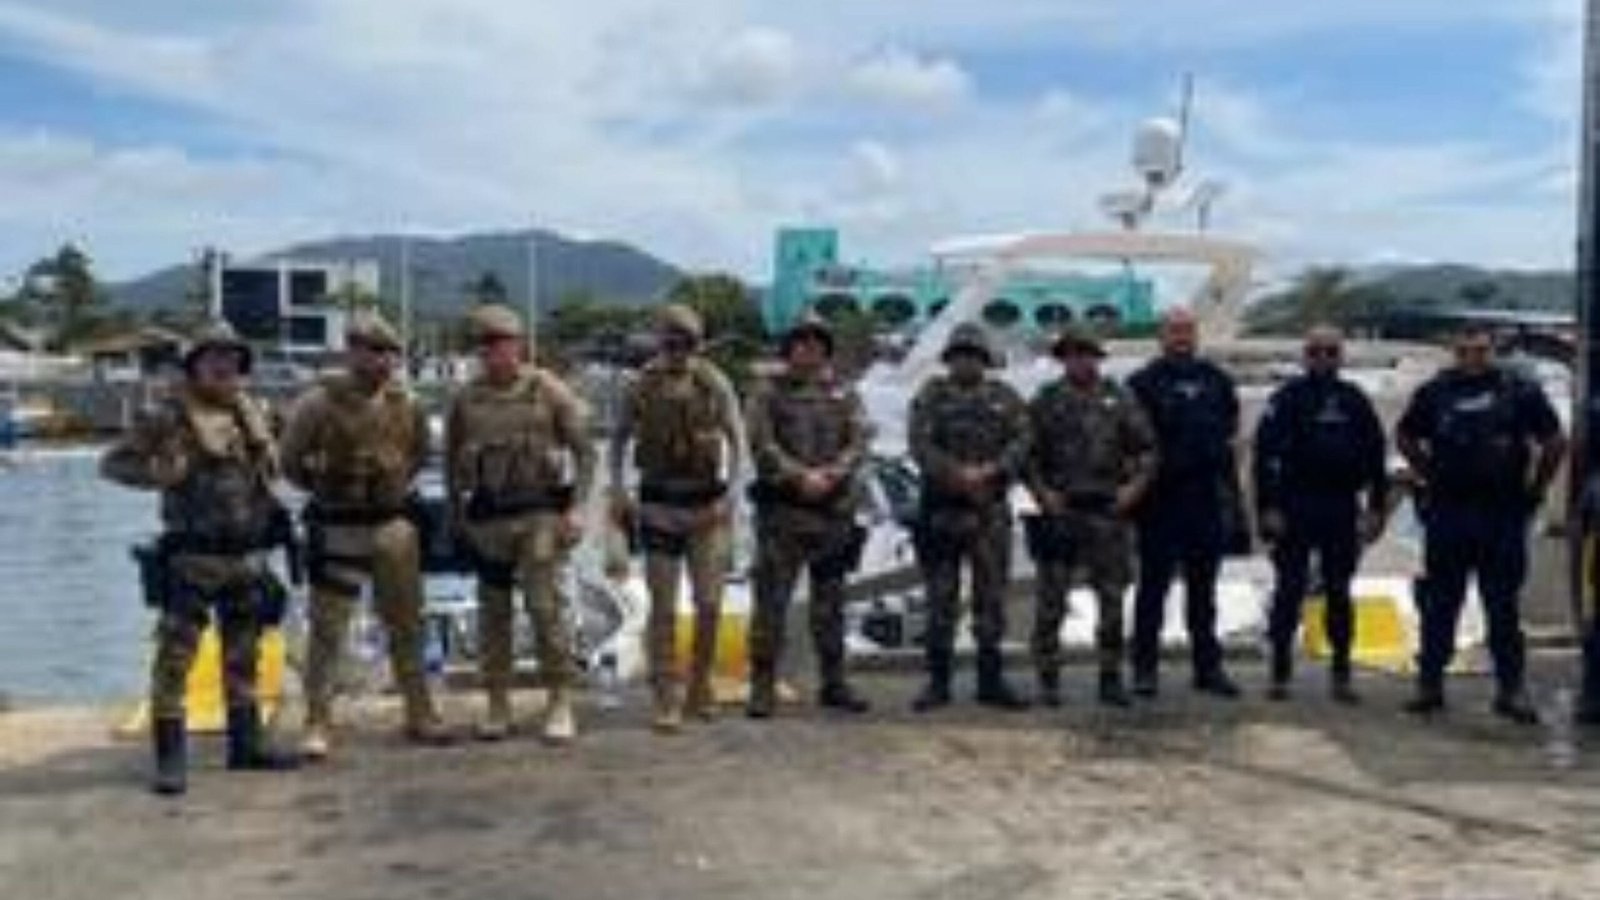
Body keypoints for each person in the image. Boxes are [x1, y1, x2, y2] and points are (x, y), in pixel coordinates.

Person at [101, 322, 299, 795]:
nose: (224, 366)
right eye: (213, 358)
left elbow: (271, 472)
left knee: (243, 655)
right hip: (192, 557)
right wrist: (161, 473)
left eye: (232, 359)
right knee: (175, 658)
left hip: (247, 557)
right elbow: (113, 464)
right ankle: (170, 760)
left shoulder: (253, 412)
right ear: (195, 364)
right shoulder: (167, 414)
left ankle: (246, 747)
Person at [280, 310, 451, 759]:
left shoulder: (407, 404)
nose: (380, 361)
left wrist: (392, 486)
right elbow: (289, 460)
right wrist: (322, 487)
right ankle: (317, 719)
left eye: (387, 353)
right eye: (370, 351)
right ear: (351, 351)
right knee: (327, 629)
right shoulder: (317, 403)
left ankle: (420, 711)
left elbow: (418, 454)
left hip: (392, 525)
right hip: (336, 525)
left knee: (407, 624)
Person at [1396, 323, 1566, 723]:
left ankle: (1511, 689)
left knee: (1502, 607)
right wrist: (1428, 473)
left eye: (1480, 351)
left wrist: (1536, 489)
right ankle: (1430, 685)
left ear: (1492, 352)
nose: (1473, 358)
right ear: (1455, 353)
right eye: (1465, 351)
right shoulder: (1436, 391)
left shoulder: (1519, 390)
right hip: (1449, 513)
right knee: (1440, 605)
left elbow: (1555, 440)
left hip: (1502, 513)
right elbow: (1404, 435)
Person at [444, 304, 596, 742]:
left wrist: (578, 509)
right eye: (485, 345)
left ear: (520, 345)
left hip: (540, 516)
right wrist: (457, 518)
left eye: (502, 343)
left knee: (545, 607)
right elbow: (453, 462)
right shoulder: (466, 398)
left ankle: (560, 700)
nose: (494, 353)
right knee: (492, 615)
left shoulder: (548, 391)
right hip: (489, 519)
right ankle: (497, 703)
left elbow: (586, 451)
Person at [608, 304, 745, 732]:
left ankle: (700, 684)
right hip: (659, 507)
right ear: (661, 342)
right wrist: (619, 488)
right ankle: (665, 695)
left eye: (686, 342)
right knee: (662, 607)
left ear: (697, 345)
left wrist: (732, 497)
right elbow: (618, 440)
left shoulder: (714, 383)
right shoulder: (642, 386)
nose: (678, 350)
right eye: (671, 341)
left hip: (708, 508)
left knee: (709, 602)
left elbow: (738, 441)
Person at [744, 314, 871, 718]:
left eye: (818, 341)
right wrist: (799, 476)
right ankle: (762, 687)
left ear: (826, 350)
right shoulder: (767, 393)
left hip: (832, 515)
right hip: (783, 514)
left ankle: (834, 683)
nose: (809, 348)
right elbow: (761, 443)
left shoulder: (845, 394)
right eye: (801, 341)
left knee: (831, 606)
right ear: (788, 348)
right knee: (770, 605)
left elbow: (859, 440)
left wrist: (833, 473)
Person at [1253, 325, 1388, 703]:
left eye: (1331, 352)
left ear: (1341, 357)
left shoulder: (1355, 399)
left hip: (1341, 506)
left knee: (1340, 592)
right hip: (1295, 506)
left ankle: (1341, 673)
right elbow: (1263, 457)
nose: (1324, 358)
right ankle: (1280, 671)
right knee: (1289, 590)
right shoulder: (1287, 397)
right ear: (1305, 356)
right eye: (1316, 352)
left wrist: (1376, 507)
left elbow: (1376, 456)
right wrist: (1267, 506)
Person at [1025, 326, 1156, 708]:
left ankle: (1110, 677)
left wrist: (1134, 489)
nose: (1079, 360)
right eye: (1072, 353)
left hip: (1108, 513)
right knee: (1050, 602)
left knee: (1112, 602)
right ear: (1063, 358)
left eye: (1086, 353)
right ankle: (1048, 679)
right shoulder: (1047, 401)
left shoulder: (1119, 398)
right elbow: (1026, 454)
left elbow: (1148, 449)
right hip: (1061, 511)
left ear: (1097, 357)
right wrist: (1042, 493)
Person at [908, 322, 1031, 712]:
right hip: (942, 512)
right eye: (960, 354)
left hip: (990, 512)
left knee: (991, 600)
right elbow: (920, 443)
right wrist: (957, 475)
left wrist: (992, 471)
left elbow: (1023, 441)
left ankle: (990, 681)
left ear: (984, 359)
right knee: (940, 600)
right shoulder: (931, 395)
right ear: (949, 359)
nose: (967, 362)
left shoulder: (1005, 397)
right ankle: (938, 682)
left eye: (974, 355)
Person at [1127, 308, 1244, 699]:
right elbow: (1129, 441)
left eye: (1187, 331)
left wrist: (1232, 503)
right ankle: (1144, 670)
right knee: (1152, 590)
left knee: (1203, 592)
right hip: (1159, 500)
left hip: (1204, 499)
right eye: (1174, 331)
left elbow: (1229, 432)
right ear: (1161, 336)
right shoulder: (1142, 382)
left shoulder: (1217, 381)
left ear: (1196, 336)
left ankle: (1207, 668)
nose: (1181, 338)